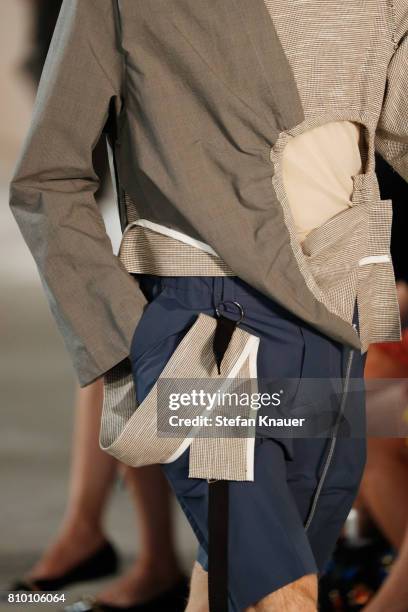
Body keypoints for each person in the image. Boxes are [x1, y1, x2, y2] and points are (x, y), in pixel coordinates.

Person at [9, 2, 408, 611]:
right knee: (283, 593)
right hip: (204, 334)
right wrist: (129, 346)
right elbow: (48, 178)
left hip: (335, 330)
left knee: (234, 582)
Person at [12, 3, 188, 610]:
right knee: (118, 311)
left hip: (171, 64)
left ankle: (111, 538)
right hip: (105, 53)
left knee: (130, 311)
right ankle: (120, 541)